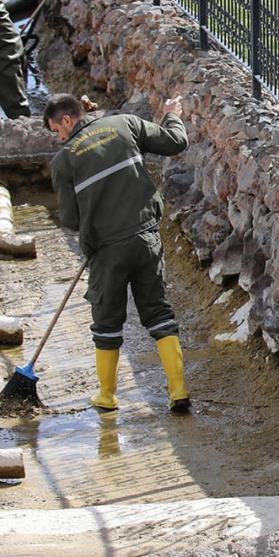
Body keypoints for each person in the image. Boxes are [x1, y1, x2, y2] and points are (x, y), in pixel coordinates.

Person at [45, 93, 192, 413]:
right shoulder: (125, 124)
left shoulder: (64, 160)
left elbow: (70, 221)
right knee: (159, 314)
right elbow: (176, 142)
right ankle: (178, 390)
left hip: (106, 252)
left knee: (107, 323)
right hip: (145, 239)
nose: (58, 138)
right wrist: (170, 114)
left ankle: (108, 396)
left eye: (56, 130)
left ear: (67, 120)